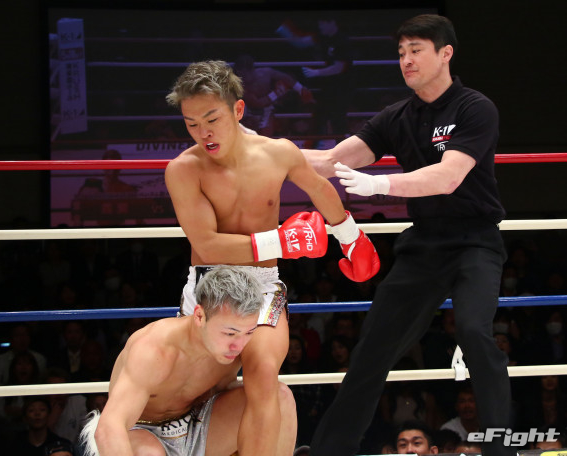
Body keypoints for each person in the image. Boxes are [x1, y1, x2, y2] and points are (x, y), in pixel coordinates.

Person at [304, 14, 513, 456]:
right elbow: (329, 161)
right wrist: (255, 149)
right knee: (372, 349)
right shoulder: (397, 116)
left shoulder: (474, 108)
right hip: (425, 243)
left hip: (475, 241)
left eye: (416, 50)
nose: (406, 60)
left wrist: (381, 184)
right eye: (401, 53)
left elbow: (449, 176)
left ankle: (501, 450)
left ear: (445, 53)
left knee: (475, 333)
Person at [164, 59, 380, 455]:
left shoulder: (278, 153)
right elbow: (207, 244)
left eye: (212, 119)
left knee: (264, 375)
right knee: (199, 391)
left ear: (238, 110)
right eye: (191, 123)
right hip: (208, 285)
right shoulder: (183, 169)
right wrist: (282, 242)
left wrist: (351, 238)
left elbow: (319, 187)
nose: (203, 132)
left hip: (261, 286)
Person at [79, 266, 296, 456]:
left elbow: (226, 393)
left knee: (279, 396)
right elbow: (109, 428)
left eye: (248, 332)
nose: (238, 345)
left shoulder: (233, 347)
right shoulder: (152, 350)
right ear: (199, 316)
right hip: (143, 432)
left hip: (196, 424)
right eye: (230, 333)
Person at [233, 54, 314, 136]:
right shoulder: (240, 84)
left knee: (266, 134)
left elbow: (285, 77)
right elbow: (257, 103)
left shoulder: (266, 73)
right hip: (248, 111)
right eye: (239, 75)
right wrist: (277, 93)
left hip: (267, 109)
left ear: (251, 70)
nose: (241, 77)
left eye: (243, 74)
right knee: (248, 133)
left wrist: (301, 89)